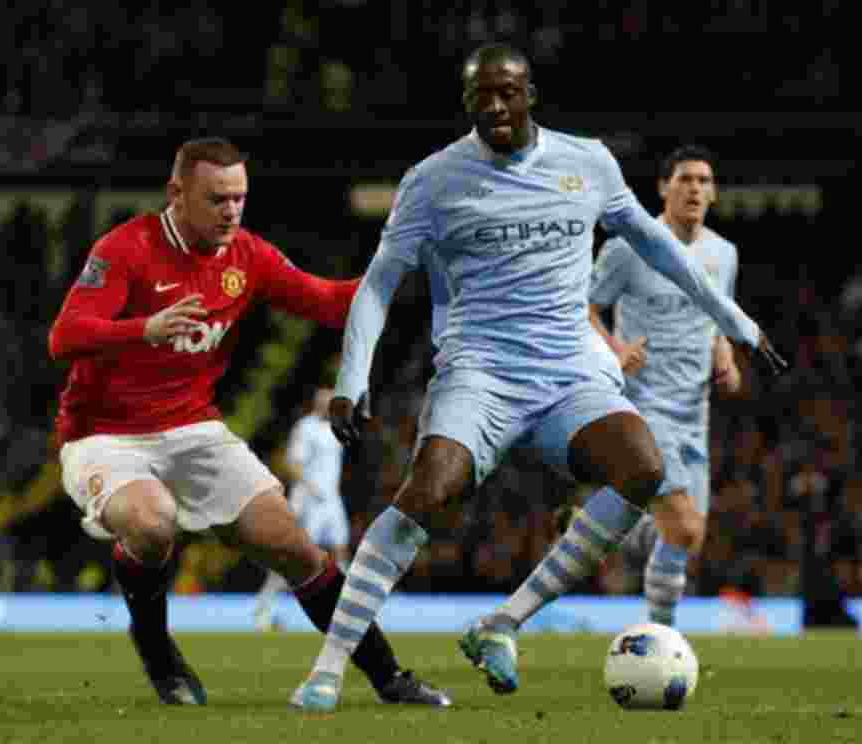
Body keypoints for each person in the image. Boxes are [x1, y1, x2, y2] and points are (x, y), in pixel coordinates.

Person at [292, 44, 785, 711]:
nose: (496, 106)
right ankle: (326, 667)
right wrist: (354, 377)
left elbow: (660, 247)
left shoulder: (587, 161)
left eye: (508, 92)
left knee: (643, 467)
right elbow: (379, 285)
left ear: (530, 94)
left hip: (568, 369)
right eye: (481, 96)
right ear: (467, 102)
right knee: (429, 489)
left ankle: (501, 622)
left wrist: (738, 324)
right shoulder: (434, 180)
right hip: (480, 370)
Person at [48, 137, 451, 708]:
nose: (232, 211)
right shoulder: (126, 248)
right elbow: (64, 336)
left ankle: (389, 676)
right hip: (105, 435)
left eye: (239, 198)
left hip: (194, 429)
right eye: (217, 199)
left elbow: (331, 302)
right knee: (153, 522)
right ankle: (156, 648)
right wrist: (143, 328)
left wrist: (405, 274)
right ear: (176, 194)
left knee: (296, 547)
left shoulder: (248, 256)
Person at [589, 144, 745, 626]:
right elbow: (582, 308)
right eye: (685, 179)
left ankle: (657, 631)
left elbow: (717, 319)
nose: (695, 188)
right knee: (683, 525)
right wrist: (614, 350)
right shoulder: (629, 247)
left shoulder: (724, 255)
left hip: (693, 413)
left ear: (714, 192)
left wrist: (725, 351)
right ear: (663, 188)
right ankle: (661, 639)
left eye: (703, 180)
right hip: (643, 406)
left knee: (686, 538)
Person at [254, 387, 351, 631]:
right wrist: (312, 488)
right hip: (309, 501)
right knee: (296, 559)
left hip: (332, 500)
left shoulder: (337, 428)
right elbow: (293, 465)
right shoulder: (304, 428)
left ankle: (346, 613)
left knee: (341, 553)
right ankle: (264, 607)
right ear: (316, 403)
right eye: (322, 401)